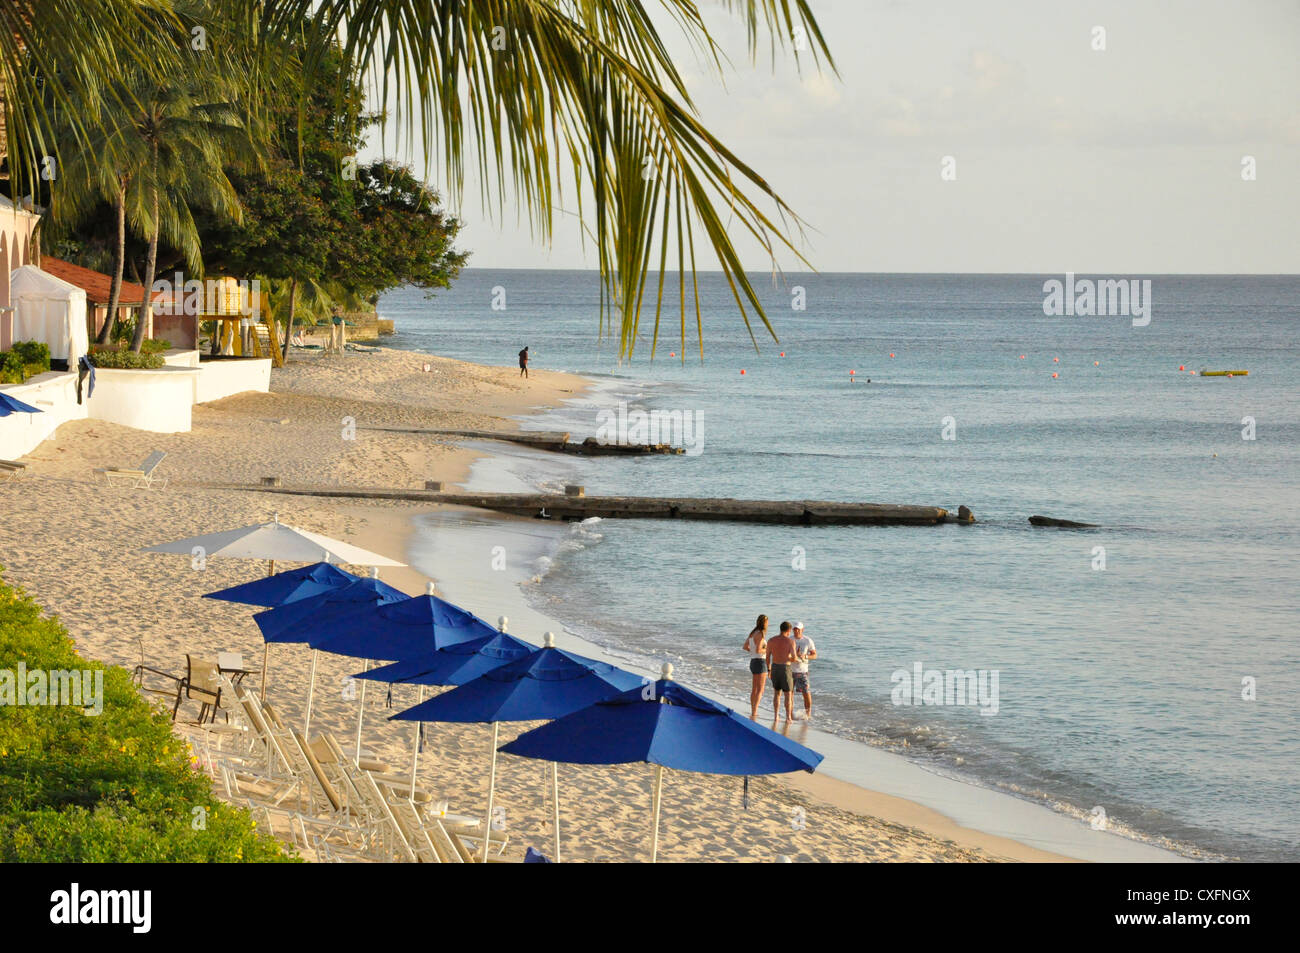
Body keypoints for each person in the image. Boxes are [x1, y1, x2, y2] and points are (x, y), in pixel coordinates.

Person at [765, 621, 798, 721]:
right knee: (788, 694)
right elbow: (794, 658)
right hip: (785, 669)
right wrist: (789, 657)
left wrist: (769, 669)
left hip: (774, 667)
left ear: (780, 629)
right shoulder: (790, 642)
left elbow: (767, 657)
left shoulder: (771, 640)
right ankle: (788, 717)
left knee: (777, 693)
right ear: (789, 630)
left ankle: (776, 716)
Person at [742, 615, 769, 719]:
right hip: (760, 661)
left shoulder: (752, 633)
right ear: (764, 623)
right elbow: (759, 650)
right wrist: (768, 649)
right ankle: (755, 711)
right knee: (760, 689)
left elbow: (745, 647)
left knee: (754, 688)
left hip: (753, 661)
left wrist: (753, 651)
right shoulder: (761, 634)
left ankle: (753, 710)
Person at [790, 621, 817, 719]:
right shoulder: (790, 640)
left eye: (798, 629)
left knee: (806, 692)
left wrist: (805, 656)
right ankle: (790, 714)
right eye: (794, 629)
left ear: (802, 629)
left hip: (802, 670)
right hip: (790, 670)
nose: (796, 631)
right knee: (789, 693)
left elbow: (814, 655)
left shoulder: (807, 640)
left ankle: (808, 714)